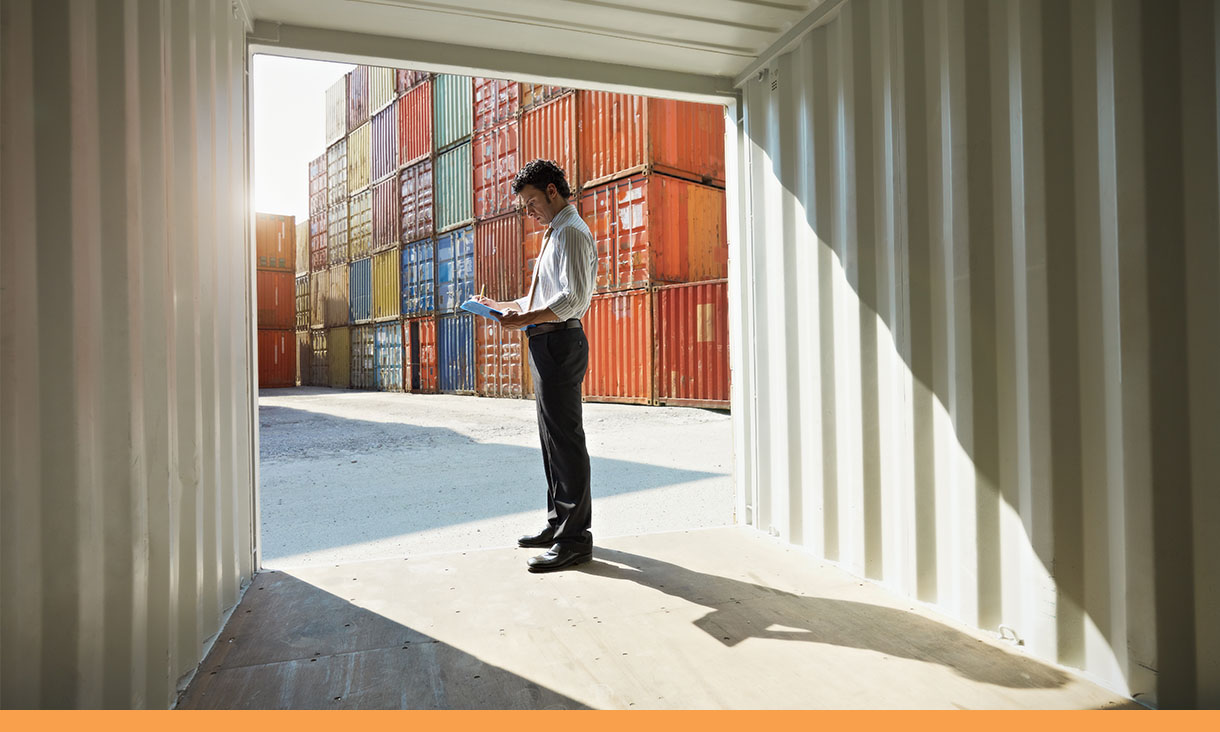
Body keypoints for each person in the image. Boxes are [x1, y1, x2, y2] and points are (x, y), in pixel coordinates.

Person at [472, 159, 598, 572]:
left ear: (551, 190)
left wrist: (523, 319)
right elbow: (544, 299)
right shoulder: (554, 233)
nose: (529, 213)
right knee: (550, 442)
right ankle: (558, 524)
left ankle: (575, 539)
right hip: (546, 344)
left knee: (566, 442)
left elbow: (572, 300)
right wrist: (503, 308)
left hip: (561, 344)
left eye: (530, 204)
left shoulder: (572, 233)